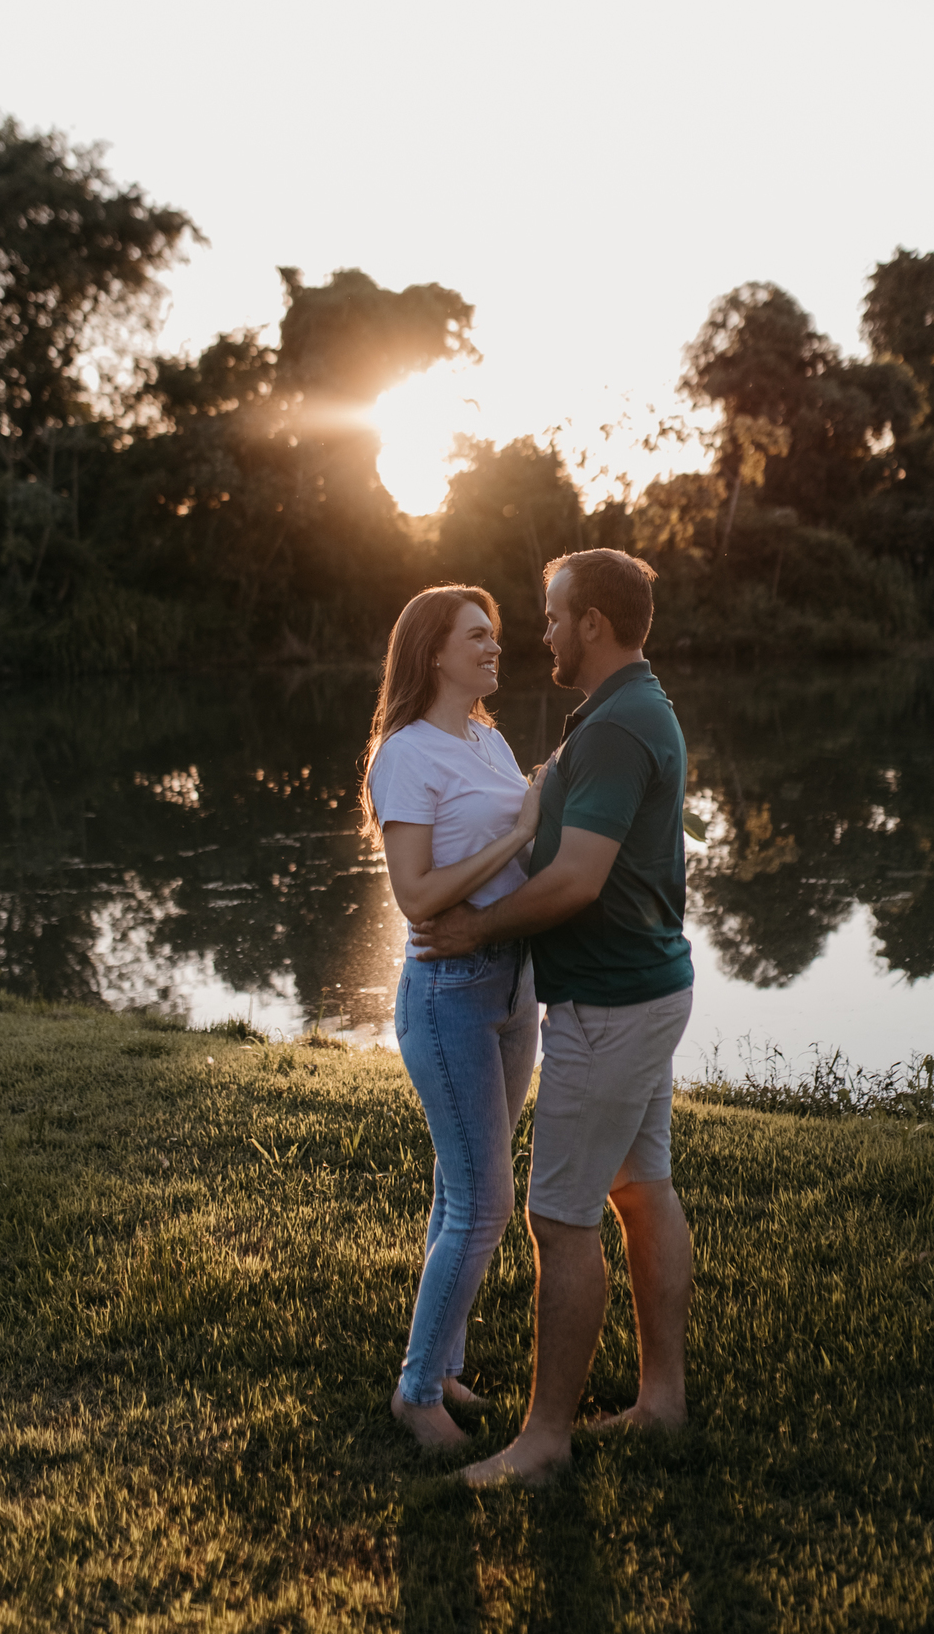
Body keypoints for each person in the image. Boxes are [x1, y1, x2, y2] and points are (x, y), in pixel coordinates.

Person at [412, 548, 695, 1486]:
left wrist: (474, 928)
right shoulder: (625, 712)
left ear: (593, 625)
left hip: (610, 1005)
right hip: (643, 989)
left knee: (560, 1218)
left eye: (552, 615)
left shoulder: (616, 727)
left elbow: (577, 879)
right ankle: (661, 1404)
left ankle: (542, 1444)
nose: (543, 633)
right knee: (640, 1188)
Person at [360, 585, 545, 1450]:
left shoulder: (486, 737)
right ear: (434, 651)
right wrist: (519, 831)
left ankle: (444, 1367)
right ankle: (416, 1392)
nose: (493, 647)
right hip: (449, 994)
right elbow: (416, 894)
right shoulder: (407, 754)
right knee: (483, 1202)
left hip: (513, 985)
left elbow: (525, 837)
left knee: (459, 1189)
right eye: (477, 635)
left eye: (494, 635)